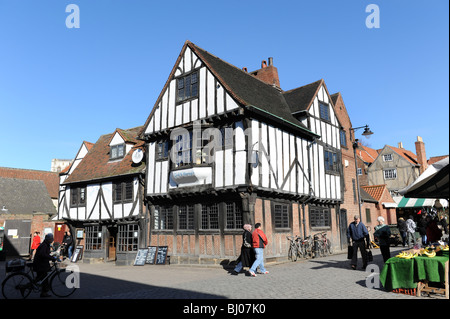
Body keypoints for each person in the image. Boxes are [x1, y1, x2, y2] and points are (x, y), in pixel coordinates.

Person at [33, 233, 60, 297]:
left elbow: (45, 253)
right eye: (51, 239)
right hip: (40, 264)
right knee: (44, 278)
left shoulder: (45, 244)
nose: (52, 240)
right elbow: (43, 254)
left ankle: (43, 291)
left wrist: (51, 255)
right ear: (49, 239)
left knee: (42, 278)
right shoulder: (44, 245)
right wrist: (51, 258)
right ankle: (43, 292)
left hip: (41, 263)